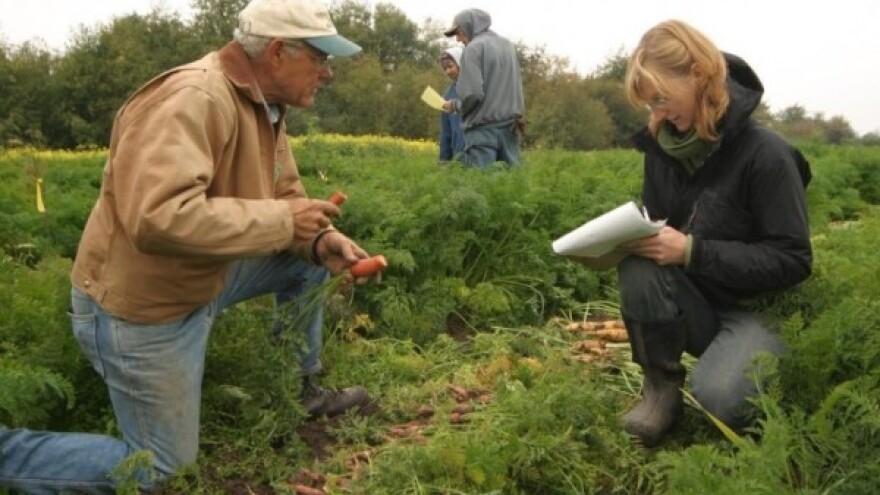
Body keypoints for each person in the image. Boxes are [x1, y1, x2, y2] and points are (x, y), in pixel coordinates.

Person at [0, 0, 376, 492]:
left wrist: (319, 239)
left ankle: (296, 391)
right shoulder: (193, 99)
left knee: (308, 262)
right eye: (321, 57)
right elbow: (157, 219)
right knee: (160, 469)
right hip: (143, 309)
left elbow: (285, 195)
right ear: (279, 52)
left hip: (204, 277)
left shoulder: (263, 103)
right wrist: (284, 222)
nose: (328, 73)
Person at [568, 19, 812, 447]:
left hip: (759, 311)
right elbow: (659, 230)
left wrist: (692, 251)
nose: (658, 117)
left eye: (662, 99)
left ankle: (746, 372)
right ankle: (660, 394)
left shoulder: (766, 155)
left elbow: (794, 259)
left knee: (720, 396)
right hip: (699, 302)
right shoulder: (662, 152)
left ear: (698, 75)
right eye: (650, 106)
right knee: (640, 264)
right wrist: (624, 241)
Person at [441, 9, 525, 169]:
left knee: (479, 187)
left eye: (459, 32)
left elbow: (472, 94)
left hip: (483, 130)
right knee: (512, 185)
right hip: (512, 127)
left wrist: (454, 105)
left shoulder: (473, 48)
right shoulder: (508, 46)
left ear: (470, 25)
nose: (458, 39)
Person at [438, 46, 465, 163]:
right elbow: (446, 130)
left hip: (477, 150)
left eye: (450, 66)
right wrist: (444, 159)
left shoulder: (476, 89)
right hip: (457, 154)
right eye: (445, 69)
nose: (447, 71)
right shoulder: (448, 94)